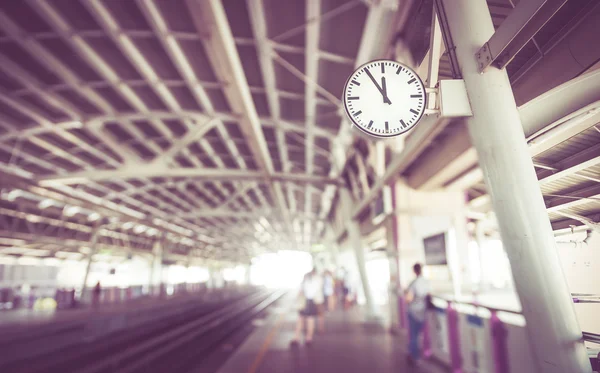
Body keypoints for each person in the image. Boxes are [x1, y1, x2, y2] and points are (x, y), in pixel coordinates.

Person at [405, 262, 430, 366]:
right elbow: (428, 295)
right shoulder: (426, 282)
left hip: (413, 311)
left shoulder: (413, 283)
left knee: (413, 335)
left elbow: (408, 299)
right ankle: (416, 352)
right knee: (420, 334)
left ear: (414, 271)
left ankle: (414, 355)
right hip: (423, 311)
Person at [292, 268, 320, 345]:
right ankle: (309, 338)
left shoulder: (305, 282)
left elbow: (299, 293)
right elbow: (316, 292)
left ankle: (296, 338)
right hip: (310, 302)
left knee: (300, 320)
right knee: (310, 320)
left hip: (303, 302)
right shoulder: (315, 282)